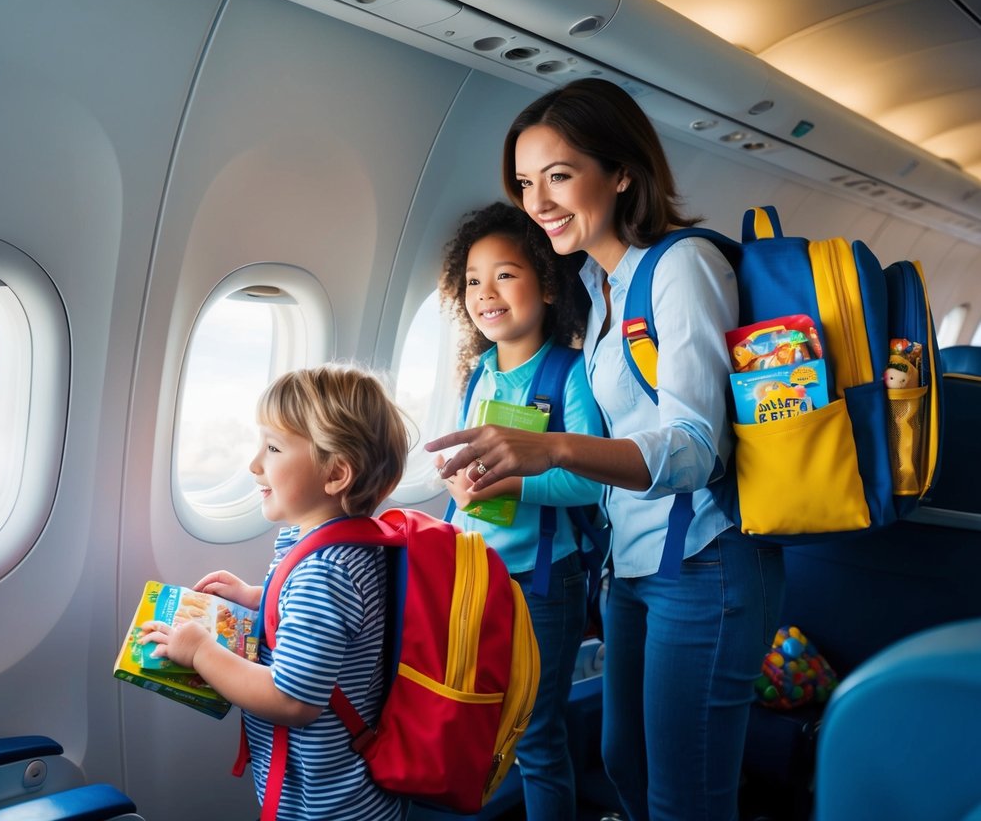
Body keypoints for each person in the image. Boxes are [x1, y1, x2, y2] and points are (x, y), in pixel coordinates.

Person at [427, 78, 785, 821]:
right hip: (633, 565)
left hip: (705, 564)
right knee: (624, 761)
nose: (539, 202)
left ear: (621, 172)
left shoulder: (680, 268)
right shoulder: (599, 287)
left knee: (684, 794)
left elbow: (694, 449)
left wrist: (550, 451)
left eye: (559, 175)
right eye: (527, 183)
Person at [140, 364, 411, 821]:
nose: (254, 464)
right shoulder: (343, 543)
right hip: (342, 789)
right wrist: (258, 597)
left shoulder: (324, 572)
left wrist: (202, 651)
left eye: (273, 447)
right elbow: (332, 628)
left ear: (336, 473)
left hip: (327, 805)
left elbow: (293, 700)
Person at [435, 200, 602, 820]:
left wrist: (514, 488)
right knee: (477, 717)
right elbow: (472, 474)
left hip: (543, 582)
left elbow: (591, 483)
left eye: (504, 274)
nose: (486, 293)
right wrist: (459, 492)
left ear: (549, 285)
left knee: (537, 734)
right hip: (476, 573)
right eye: (474, 280)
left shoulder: (569, 377)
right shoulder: (478, 374)